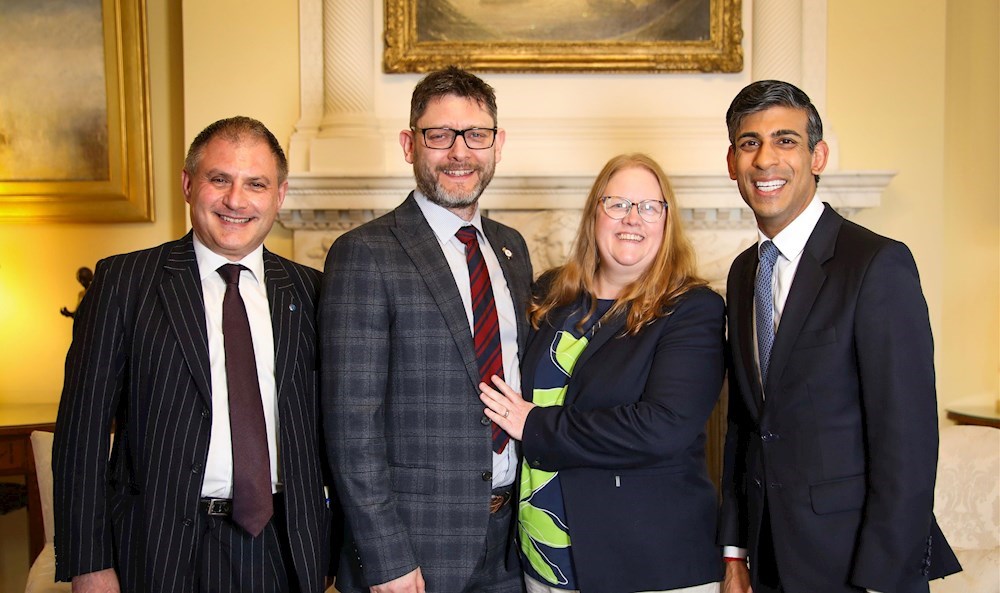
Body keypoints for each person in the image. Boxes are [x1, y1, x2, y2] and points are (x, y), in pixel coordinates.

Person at [53, 116, 336, 593]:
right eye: (219, 179)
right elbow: (81, 435)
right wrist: (88, 564)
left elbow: (340, 432)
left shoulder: (312, 292)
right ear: (188, 185)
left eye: (256, 184)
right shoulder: (125, 283)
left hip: (283, 549)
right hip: (160, 548)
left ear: (280, 196)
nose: (235, 201)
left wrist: (337, 545)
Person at [717, 80, 962, 593]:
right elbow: (746, 422)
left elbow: (908, 439)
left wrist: (885, 576)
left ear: (818, 156)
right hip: (767, 558)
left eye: (786, 141)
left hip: (857, 563)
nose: (765, 160)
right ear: (732, 162)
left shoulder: (876, 263)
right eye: (749, 143)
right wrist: (735, 550)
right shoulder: (744, 272)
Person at [320, 66, 533, 593]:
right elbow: (351, 426)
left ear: (497, 144)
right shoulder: (364, 253)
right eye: (438, 135)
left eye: (475, 135)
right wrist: (386, 557)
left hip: (511, 542)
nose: (459, 152)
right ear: (409, 144)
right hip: (412, 552)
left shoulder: (511, 249)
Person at [480, 153, 726, 593]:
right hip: (542, 562)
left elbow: (661, 428)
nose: (633, 218)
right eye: (617, 203)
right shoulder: (551, 295)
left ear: (667, 222)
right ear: (595, 211)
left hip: (646, 563)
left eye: (649, 206)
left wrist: (534, 423)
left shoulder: (692, 309)